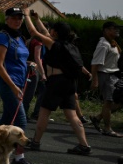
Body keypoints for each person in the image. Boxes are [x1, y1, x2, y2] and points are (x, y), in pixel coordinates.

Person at [24, 11, 91, 155]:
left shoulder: (53, 44)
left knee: (44, 112)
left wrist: (26, 16)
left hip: (56, 82)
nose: (49, 31)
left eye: (51, 29)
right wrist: (38, 19)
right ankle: (84, 145)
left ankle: (35, 142)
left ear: (55, 32)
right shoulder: (70, 46)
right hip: (70, 82)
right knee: (72, 115)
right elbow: (42, 31)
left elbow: (34, 32)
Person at [0, 7, 40, 164]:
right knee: (21, 120)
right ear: (6, 19)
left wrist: (29, 64)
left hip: (19, 82)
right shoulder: (2, 37)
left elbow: (18, 59)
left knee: (5, 120)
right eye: (14, 17)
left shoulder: (19, 37)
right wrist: (12, 86)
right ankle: (19, 159)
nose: (17, 20)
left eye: (20, 17)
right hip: (7, 84)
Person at [89, 21, 122, 137]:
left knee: (118, 102)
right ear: (106, 30)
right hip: (106, 76)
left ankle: (98, 118)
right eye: (114, 28)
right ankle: (107, 128)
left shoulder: (112, 43)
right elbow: (95, 64)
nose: (117, 30)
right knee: (108, 102)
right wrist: (95, 80)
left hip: (114, 76)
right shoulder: (104, 44)